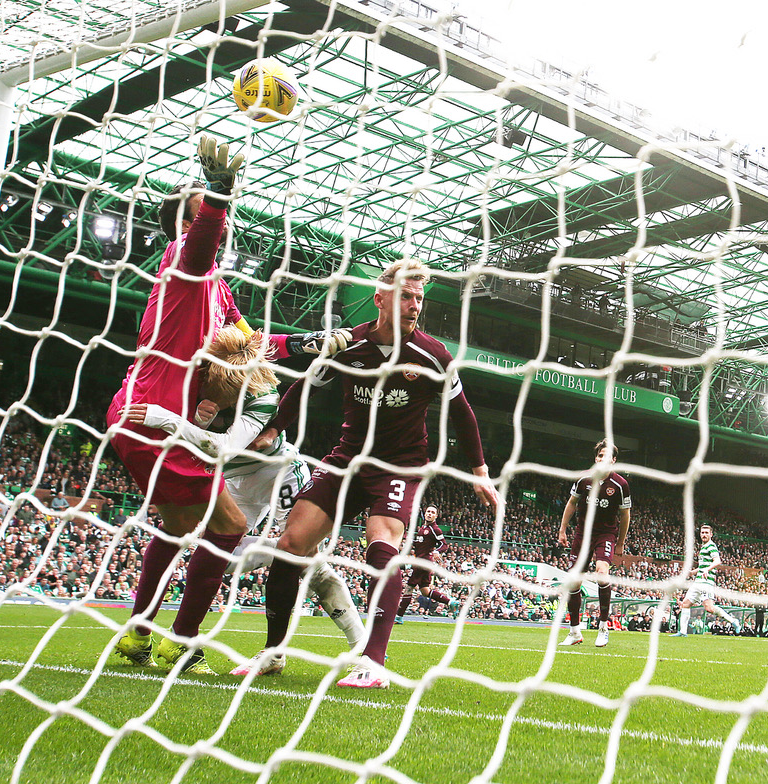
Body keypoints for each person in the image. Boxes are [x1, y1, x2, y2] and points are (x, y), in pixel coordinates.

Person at [107, 136, 349, 675]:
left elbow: (250, 345)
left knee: (176, 526)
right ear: (185, 221)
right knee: (229, 525)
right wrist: (217, 193)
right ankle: (180, 641)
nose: (219, 217)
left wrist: (309, 342)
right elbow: (199, 245)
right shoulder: (181, 261)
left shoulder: (218, 289)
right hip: (157, 415)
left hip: (144, 415)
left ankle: (137, 636)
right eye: (203, 207)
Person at [243, 258, 500, 688]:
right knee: (290, 545)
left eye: (419, 298)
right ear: (380, 299)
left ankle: (373, 662)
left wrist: (480, 471)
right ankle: (273, 652)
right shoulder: (347, 346)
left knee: (381, 545)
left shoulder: (434, 355)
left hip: (400, 465)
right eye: (406, 297)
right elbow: (305, 387)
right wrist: (271, 429)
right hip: (347, 459)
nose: (415, 305)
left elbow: (462, 413)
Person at [124, 325, 365, 660]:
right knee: (218, 560)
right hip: (234, 479)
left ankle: (361, 644)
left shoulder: (263, 396)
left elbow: (223, 447)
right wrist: (198, 422)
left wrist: (169, 420)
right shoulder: (196, 377)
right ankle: (280, 550)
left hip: (278, 471)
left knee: (312, 562)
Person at [556, 439, 632, 649]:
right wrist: (562, 530)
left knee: (601, 572)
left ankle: (603, 628)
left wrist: (620, 543)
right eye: (600, 455)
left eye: (606, 456)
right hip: (583, 534)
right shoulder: (584, 479)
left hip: (605, 534)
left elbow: (625, 515)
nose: (602, 459)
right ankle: (574, 632)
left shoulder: (621, 485)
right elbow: (572, 503)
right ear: (596, 458)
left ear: (613, 460)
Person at [672, 524, 742, 636]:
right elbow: (703, 566)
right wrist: (693, 572)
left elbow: (717, 561)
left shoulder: (711, 546)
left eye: (706, 533)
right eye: (702, 533)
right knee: (685, 604)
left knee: (709, 608)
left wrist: (707, 570)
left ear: (711, 534)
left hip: (706, 582)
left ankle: (734, 621)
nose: (704, 535)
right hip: (698, 581)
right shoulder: (703, 547)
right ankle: (682, 631)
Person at [394, 505, 453, 624]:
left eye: (432, 512)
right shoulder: (422, 528)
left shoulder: (435, 529)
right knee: (425, 591)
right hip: (423, 561)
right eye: (428, 511)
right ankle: (451, 602)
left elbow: (444, 545)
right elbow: (420, 544)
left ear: (436, 516)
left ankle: (399, 617)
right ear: (425, 514)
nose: (430, 514)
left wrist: (437, 551)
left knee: (409, 588)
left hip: (423, 562)